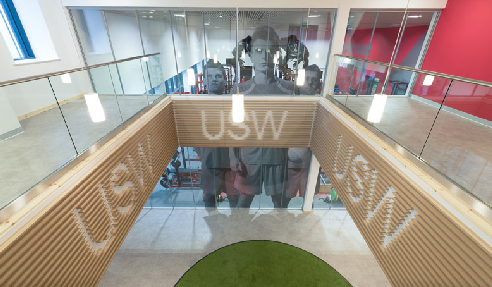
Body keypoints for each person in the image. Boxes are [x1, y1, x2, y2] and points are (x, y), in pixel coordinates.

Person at [230, 26, 313, 209]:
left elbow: (296, 125)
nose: (264, 57)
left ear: (276, 54)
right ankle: (237, 233)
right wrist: (232, 157)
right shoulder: (240, 91)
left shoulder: (289, 88)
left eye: (269, 51)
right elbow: (233, 127)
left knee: (279, 202)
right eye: (259, 51)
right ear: (251, 55)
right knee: (244, 202)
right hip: (248, 157)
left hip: (277, 156)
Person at [195, 60, 235, 208]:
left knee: (235, 200)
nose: (214, 79)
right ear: (204, 80)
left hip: (230, 162)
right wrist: (204, 153)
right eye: (210, 76)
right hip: (209, 163)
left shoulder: (233, 103)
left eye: (218, 76)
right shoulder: (198, 107)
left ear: (225, 80)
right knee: (209, 202)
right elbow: (193, 136)